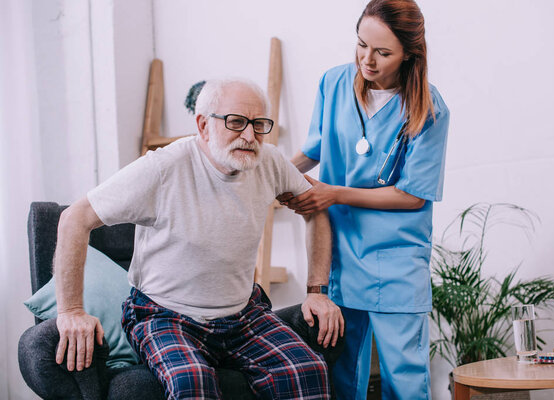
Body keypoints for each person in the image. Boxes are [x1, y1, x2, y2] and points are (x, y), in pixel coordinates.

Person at [52, 79, 344, 399]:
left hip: (244, 313)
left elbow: (316, 209)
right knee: (192, 383)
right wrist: (71, 311)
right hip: (164, 316)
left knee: (307, 371)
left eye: (259, 124)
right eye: (236, 122)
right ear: (203, 125)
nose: (249, 135)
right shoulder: (162, 168)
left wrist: (317, 290)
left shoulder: (270, 161)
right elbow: (73, 219)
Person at [277, 0, 450, 398]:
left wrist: (333, 193)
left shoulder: (428, 109)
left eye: (383, 53)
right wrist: (269, 174)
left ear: (410, 55)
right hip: (339, 254)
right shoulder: (334, 83)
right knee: (341, 377)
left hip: (396, 261)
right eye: (361, 45)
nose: (367, 60)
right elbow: (313, 151)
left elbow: (411, 197)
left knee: (403, 382)